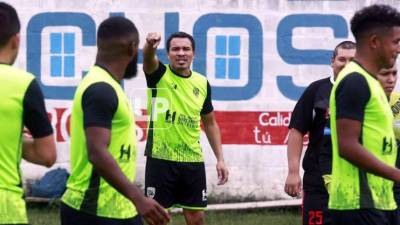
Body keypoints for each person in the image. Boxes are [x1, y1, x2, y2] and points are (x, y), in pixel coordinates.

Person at [60, 17, 170, 225]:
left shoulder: (107, 84)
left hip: (120, 209)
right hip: (93, 211)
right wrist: (139, 198)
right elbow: (97, 152)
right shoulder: (100, 88)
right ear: (131, 48)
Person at [142, 31, 229, 225]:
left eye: (186, 49)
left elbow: (210, 122)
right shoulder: (159, 75)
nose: (181, 53)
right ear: (168, 54)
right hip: (160, 158)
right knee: (158, 219)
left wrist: (220, 159)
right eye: (175, 49)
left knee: (196, 219)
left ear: (193, 54)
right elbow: (147, 60)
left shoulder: (202, 83)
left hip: (192, 160)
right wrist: (149, 45)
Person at [329, 4, 400, 224]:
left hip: (378, 199)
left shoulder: (370, 81)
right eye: (396, 42)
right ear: (375, 42)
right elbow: (347, 146)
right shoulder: (354, 81)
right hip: (358, 202)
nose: (398, 49)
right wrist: (397, 174)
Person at [284, 41, 355, 225]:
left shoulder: (369, 92)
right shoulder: (316, 90)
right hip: (318, 182)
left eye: (353, 60)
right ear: (332, 62)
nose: (347, 64)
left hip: (356, 183)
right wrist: (293, 172)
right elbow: (296, 130)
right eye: (342, 59)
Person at [0, 2, 56, 224]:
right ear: (16, 39)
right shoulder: (24, 84)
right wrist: (16, 137)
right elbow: (47, 155)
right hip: (5, 203)